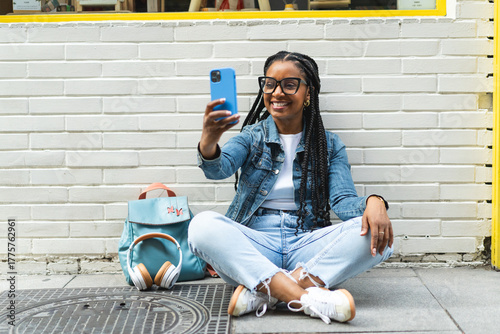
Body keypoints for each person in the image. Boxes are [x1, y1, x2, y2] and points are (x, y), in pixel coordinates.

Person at [188, 51, 394, 324]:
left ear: (308, 93)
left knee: (379, 237)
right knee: (201, 226)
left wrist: (374, 202)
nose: (277, 93)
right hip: (256, 242)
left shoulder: (329, 145)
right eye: (270, 83)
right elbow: (218, 169)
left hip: (305, 243)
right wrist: (209, 141)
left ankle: (267, 292)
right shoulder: (252, 136)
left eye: (289, 84)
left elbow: (343, 202)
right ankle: (308, 298)